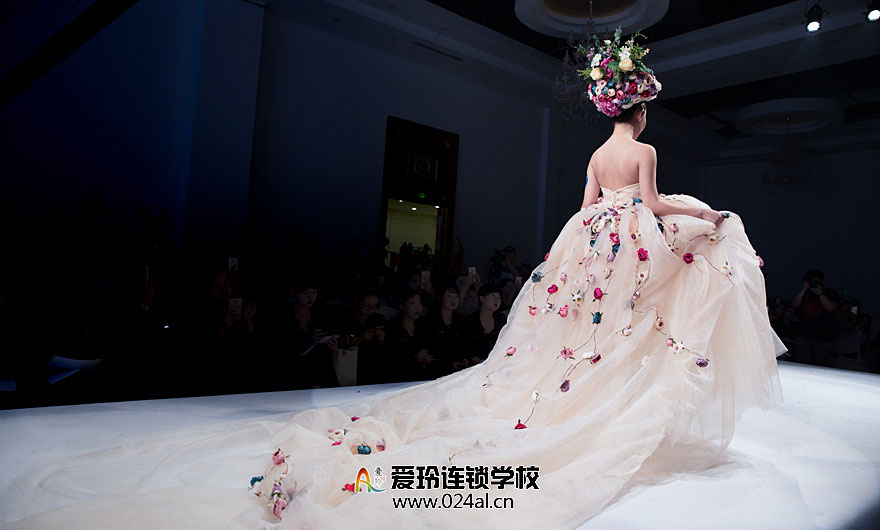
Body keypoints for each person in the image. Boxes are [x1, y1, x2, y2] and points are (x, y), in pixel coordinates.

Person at [4, 30, 786, 530]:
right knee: (633, 316)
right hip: (628, 237)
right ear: (639, 111)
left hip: (589, 239)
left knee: (573, 333)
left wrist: (581, 248)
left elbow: (585, 208)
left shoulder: (595, 154)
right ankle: (605, 395)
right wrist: (706, 212)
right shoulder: (642, 152)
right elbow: (652, 204)